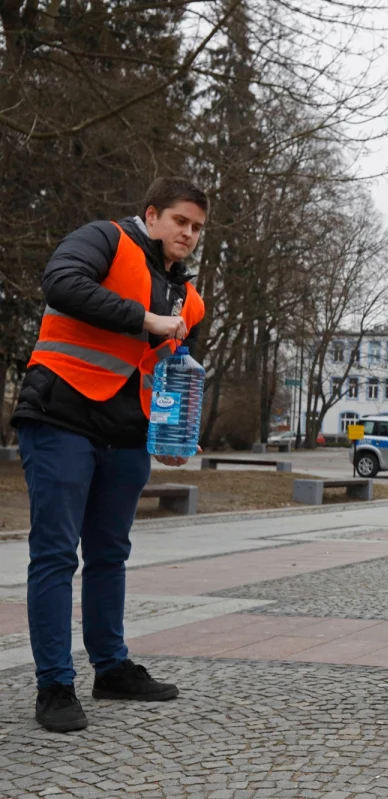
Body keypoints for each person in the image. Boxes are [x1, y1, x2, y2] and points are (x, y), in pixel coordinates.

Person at [12, 177, 208, 733]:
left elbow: (172, 372)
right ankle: (54, 684)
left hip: (126, 434)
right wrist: (143, 318)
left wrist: (174, 431)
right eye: (180, 221)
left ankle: (111, 667)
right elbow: (61, 283)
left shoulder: (188, 299)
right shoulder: (105, 239)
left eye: (197, 228)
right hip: (60, 417)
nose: (188, 234)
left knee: (109, 553)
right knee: (55, 553)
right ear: (152, 214)